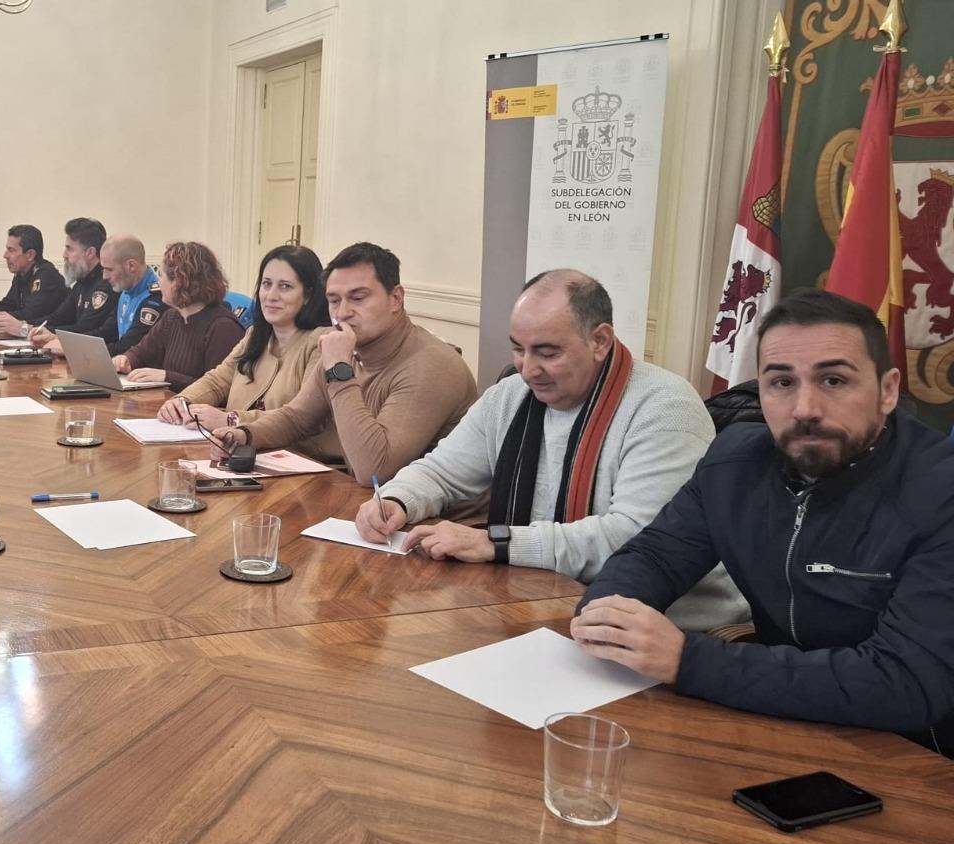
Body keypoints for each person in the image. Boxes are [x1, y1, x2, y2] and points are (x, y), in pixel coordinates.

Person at [570, 290, 954, 755]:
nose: (805, 408)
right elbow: (655, 555)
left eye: (834, 380)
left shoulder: (940, 491)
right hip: (776, 715)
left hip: (915, 754)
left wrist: (689, 661)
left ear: (888, 391)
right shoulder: (734, 461)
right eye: (781, 382)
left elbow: (906, 683)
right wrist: (608, 616)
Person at [355, 270, 745, 631]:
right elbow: (440, 471)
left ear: (600, 341)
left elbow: (637, 541)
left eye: (547, 352)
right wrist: (396, 499)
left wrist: (498, 542)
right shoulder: (510, 396)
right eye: (518, 349)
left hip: (669, 629)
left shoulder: (665, 407)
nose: (527, 370)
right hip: (536, 604)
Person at [210, 242, 475, 486]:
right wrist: (244, 435)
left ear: (396, 298)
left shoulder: (430, 365)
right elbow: (297, 418)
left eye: (358, 298)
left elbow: (375, 471)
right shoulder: (348, 346)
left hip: (437, 517)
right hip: (372, 502)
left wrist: (339, 371)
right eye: (334, 301)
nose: (343, 313)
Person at [156, 244, 339, 462]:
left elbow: (303, 418)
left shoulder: (323, 342)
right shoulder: (255, 334)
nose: (271, 296)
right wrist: (182, 401)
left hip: (300, 463)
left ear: (308, 295)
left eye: (285, 286)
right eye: (266, 284)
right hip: (240, 454)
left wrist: (233, 420)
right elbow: (217, 380)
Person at [112, 242, 245, 392]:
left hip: (196, 406)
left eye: (161, 276)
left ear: (179, 281)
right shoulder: (172, 316)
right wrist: (126, 359)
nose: (159, 282)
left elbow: (218, 390)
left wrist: (167, 377)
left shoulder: (223, 328)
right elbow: (142, 352)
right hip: (171, 402)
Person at [28, 218, 116, 349]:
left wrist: (52, 335)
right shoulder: (81, 282)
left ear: (90, 253)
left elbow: (86, 329)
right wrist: (29, 326)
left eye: (69, 249)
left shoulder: (105, 285)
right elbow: (58, 317)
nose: (64, 255)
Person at [0, 224, 68, 338]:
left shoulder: (47, 275)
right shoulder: (21, 273)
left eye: (11, 250)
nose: (5, 255)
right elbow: (9, 303)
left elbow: (30, 315)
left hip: (54, 339)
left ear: (30, 255)